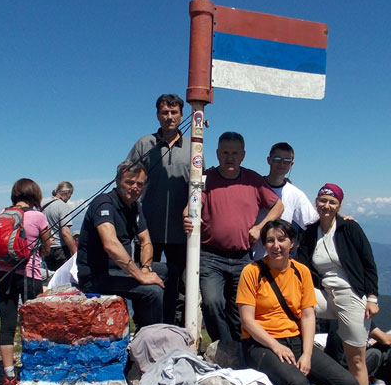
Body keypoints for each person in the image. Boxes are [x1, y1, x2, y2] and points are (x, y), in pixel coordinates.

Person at [236, 219, 365, 385]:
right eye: (270, 241)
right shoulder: (251, 272)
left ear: (292, 242)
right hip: (261, 344)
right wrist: (275, 346)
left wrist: (307, 353)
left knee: (348, 384)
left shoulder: (301, 272)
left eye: (281, 239)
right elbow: (247, 320)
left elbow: (307, 315)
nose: (276, 246)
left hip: (295, 340)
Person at [183, 132, 283, 348]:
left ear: (243, 155)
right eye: (225, 152)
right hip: (211, 255)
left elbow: (278, 206)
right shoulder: (205, 178)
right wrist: (187, 216)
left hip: (243, 257)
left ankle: (241, 352)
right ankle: (224, 348)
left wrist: (260, 227)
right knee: (211, 303)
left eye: (235, 153)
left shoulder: (253, 180)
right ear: (218, 154)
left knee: (241, 309)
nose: (230, 157)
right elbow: (192, 205)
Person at [296, 183, 379, 385]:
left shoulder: (349, 228)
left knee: (356, 359)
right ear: (316, 202)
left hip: (350, 294)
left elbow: (368, 263)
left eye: (332, 202)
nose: (326, 205)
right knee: (294, 304)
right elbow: (302, 266)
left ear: (339, 206)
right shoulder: (310, 233)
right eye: (323, 200)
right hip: (324, 293)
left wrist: (372, 298)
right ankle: (301, 359)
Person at [77, 159, 167, 328]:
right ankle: (151, 337)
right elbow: (110, 244)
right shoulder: (104, 203)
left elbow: (146, 241)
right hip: (98, 275)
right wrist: (140, 276)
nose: (135, 187)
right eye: (129, 182)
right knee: (153, 291)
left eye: (139, 184)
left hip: (120, 269)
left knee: (170, 271)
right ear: (117, 181)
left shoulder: (134, 207)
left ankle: (163, 326)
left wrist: (146, 269)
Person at [127, 93, 192, 324]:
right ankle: (144, 326)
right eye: (165, 112)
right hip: (147, 229)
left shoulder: (194, 148)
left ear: (182, 115)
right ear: (157, 115)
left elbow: (200, 187)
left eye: (174, 112)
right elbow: (127, 176)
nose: (169, 117)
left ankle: (173, 328)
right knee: (143, 279)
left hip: (180, 231)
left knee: (179, 284)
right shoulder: (145, 144)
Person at [0, 178, 50, 385]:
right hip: (29, 274)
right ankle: (34, 369)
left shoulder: (2, 214)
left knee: (7, 324)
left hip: (4, 275)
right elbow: (47, 246)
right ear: (35, 195)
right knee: (34, 323)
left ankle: (8, 376)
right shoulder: (38, 216)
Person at [251, 142, 318, 260]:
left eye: (286, 161)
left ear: (291, 164)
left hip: (280, 261)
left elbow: (314, 223)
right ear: (269, 160)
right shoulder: (253, 187)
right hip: (252, 257)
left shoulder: (295, 194)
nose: (281, 164)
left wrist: (342, 220)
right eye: (277, 159)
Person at [43, 181, 77, 272]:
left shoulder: (43, 203)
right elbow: (65, 233)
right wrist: (74, 252)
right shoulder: (63, 206)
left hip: (46, 247)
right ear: (67, 193)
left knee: (50, 276)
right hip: (60, 248)